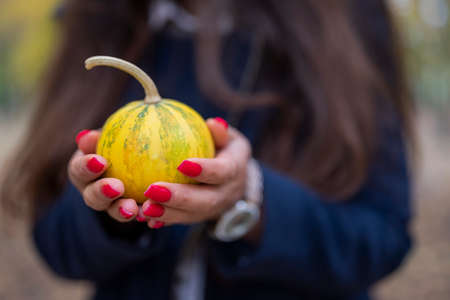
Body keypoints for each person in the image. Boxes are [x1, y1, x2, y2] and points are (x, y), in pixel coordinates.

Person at [1, 0, 414, 299]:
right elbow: (55, 245)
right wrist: (116, 215)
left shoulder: (349, 14)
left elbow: (383, 238)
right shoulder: (94, 16)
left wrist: (248, 199)